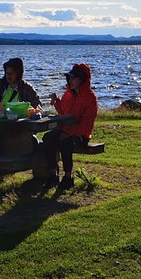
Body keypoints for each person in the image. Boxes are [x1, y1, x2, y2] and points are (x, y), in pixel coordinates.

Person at [42, 63, 98, 191]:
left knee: (66, 141)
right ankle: (52, 174)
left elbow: (86, 125)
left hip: (81, 135)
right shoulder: (68, 94)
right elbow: (63, 114)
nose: (70, 81)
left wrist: (70, 133)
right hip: (66, 130)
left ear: (82, 79)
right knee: (48, 138)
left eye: (74, 78)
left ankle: (68, 177)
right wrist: (56, 102)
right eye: (70, 78)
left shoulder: (90, 98)